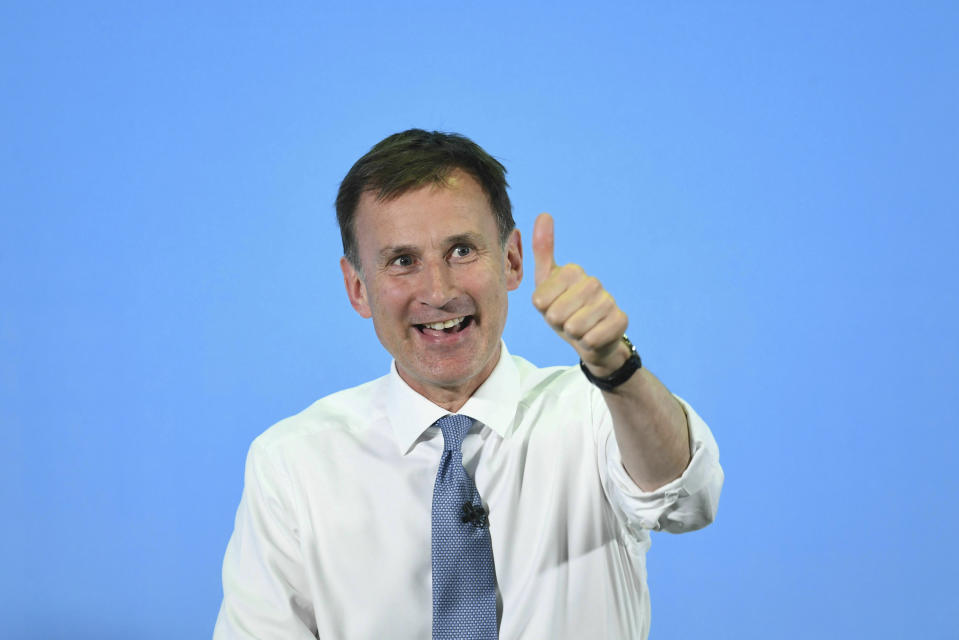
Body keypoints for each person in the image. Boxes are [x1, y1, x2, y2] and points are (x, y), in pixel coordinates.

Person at [213, 129, 723, 640]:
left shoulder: (596, 411)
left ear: (512, 260)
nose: (438, 291)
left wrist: (614, 366)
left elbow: (688, 496)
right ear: (357, 288)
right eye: (402, 261)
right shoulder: (292, 465)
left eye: (461, 250)